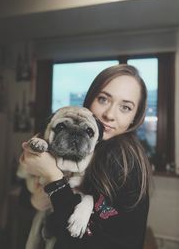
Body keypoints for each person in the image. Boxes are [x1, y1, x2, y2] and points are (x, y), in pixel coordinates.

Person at [21, 64, 152, 249]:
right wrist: (35, 195)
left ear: (135, 117)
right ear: (90, 99)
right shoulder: (64, 140)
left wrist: (53, 177)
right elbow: (25, 201)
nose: (109, 115)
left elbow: (86, 241)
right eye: (103, 99)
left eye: (125, 107)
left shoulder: (126, 162)